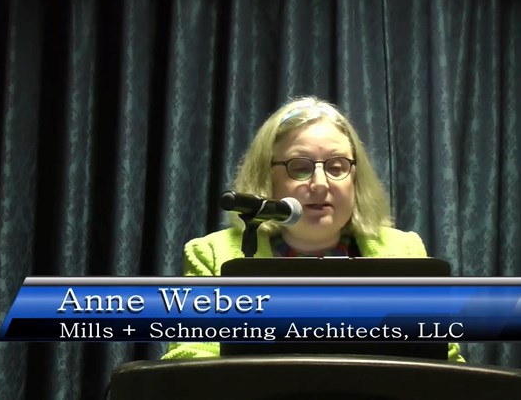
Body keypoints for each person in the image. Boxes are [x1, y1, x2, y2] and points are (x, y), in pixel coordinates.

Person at [162, 96, 464, 361]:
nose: (320, 184)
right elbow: (190, 362)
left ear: (356, 179)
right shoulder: (212, 255)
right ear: (267, 177)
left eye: (336, 166)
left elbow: (445, 368)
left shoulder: (405, 252)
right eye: (300, 167)